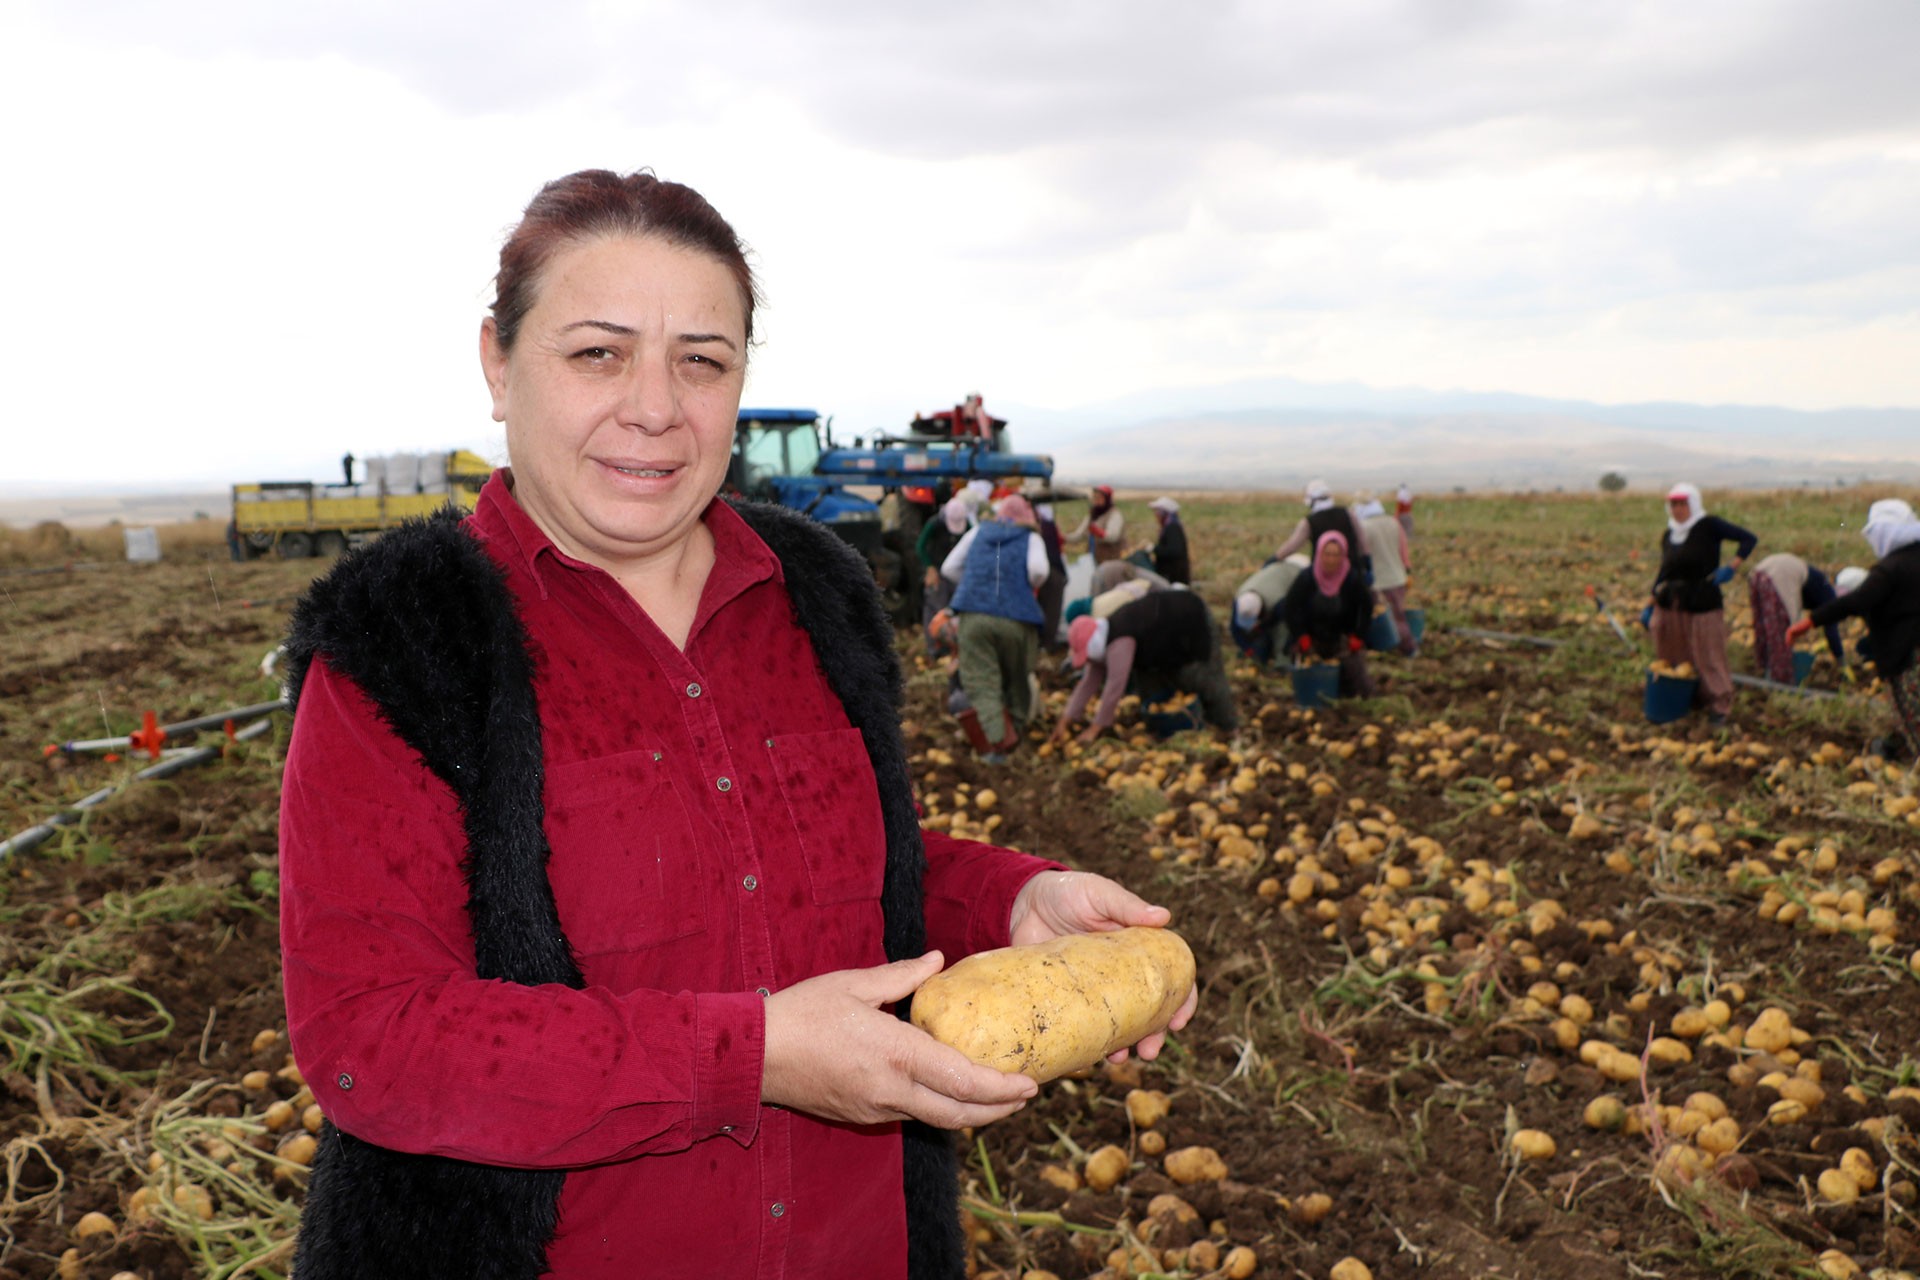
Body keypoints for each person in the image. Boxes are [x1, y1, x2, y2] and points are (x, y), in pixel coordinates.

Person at [276, 169, 1195, 1280]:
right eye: (598, 352)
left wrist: (1010, 898)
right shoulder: (407, 636)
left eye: (702, 360)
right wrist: (750, 1055)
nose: (656, 406)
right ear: (497, 362)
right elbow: (375, 1036)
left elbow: (849, 861)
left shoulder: (817, 590)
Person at [1793, 498, 1920, 760]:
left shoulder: (1890, 568)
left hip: (1906, 652)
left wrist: (1811, 620)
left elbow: (1856, 601)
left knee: (1911, 712)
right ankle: (1899, 748)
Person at [941, 494, 1050, 761]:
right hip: (1017, 619)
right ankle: (1015, 735)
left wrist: (974, 586)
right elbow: (1039, 572)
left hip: (974, 617)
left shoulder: (978, 531)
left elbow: (948, 568)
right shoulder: (1031, 538)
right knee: (1016, 678)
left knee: (982, 681)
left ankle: (996, 746)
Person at [1051, 590, 1238, 744]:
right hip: (1163, 639)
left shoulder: (1119, 642)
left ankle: (1230, 729)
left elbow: (1114, 687)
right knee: (1151, 686)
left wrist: (1095, 729)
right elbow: (1088, 683)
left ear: (1092, 645)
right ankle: (1167, 729)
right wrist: (1066, 720)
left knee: (1203, 677)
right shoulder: (1103, 639)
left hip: (1192, 619)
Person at [1648, 483, 1757, 727]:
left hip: (1703, 599)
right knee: (1674, 653)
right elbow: (1665, 571)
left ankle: (1720, 704)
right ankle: (1687, 698)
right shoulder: (1669, 534)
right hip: (1671, 601)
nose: (1677, 509)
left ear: (1693, 504)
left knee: (1707, 653)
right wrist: (1650, 600)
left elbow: (1748, 539)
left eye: (1682, 504)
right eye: (1673, 504)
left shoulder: (1709, 525)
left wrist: (1731, 567)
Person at [1282, 531, 1377, 698]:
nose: (1331, 560)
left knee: (1359, 684)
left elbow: (1366, 607)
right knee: (1308, 674)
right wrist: (1301, 635)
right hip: (1311, 637)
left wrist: (1358, 635)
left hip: (1341, 637)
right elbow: (1291, 607)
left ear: (1343, 555)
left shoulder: (1352, 579)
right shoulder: (1307, 578)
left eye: (1336, 555)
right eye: (1327, 554)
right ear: (1319, 553)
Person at [1748, 552, 1847, 683]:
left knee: (1766, 625)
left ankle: (1767, 669)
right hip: (1782, 574)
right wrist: (1842, 663)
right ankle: (1779, 678)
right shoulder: (1831, 600)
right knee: (1782, 629)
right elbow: (1831, 631)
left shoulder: (1823, 588)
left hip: (1760, 571)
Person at [1354, 496, 1415, 656]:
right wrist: (1406, 570)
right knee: (1398, 616)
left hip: (1378, 581)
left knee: (1383, 617)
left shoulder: (1364, 527)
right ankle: (1402, 648)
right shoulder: (1393, 522)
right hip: (1397, 577)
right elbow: (1403, 550)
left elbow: (1361, 555)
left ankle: (1402, 648)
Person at [1273, 479, 1370, 580]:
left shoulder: (1309, 522)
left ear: (1310, 500)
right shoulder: (1348, 513)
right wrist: (1367, 562)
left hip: (1324, 575)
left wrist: (1275, 558)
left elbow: (1292, 545)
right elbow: (1362, 540)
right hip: (1352, 571)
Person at [1231, 554, 1308, 664]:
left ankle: (1283, 663)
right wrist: (1248, 650)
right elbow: (1234, 628)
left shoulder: (1278, 602)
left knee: (1282, 628)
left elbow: (1294, 621)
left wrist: (1295, 642)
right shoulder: (1240, 598)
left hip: (1299, 568)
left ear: (1261, 611)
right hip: (1278, 572)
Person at [915, 496, 970, 648]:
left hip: (956, 572)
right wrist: (929, 567)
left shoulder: (968, 526)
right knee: (935, 606)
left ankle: (954, 645)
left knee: (953, 608)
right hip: (938, 570)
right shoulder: (935, 523)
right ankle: (934, 647)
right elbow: (920, 547)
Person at [1064, 485, 1125, 563]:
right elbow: (1080, 534)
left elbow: (1113, 536)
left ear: (1107, 499)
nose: (1096, 500)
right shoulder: (1092, 515)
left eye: (1099, 498)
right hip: (1093, 560)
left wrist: (1099, 533)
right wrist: (1064, 538)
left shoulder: (1114, 515)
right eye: (1095, 497)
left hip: (1110, 561)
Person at [1147, 496, 1190, 585]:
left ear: (1164, 513)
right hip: (1172, 574)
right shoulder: (1169, 526)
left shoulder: (1172, 528)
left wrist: (1155, 549)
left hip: (1174, 576)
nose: (1156, 514)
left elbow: (1175, 551)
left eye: (1157, 511)